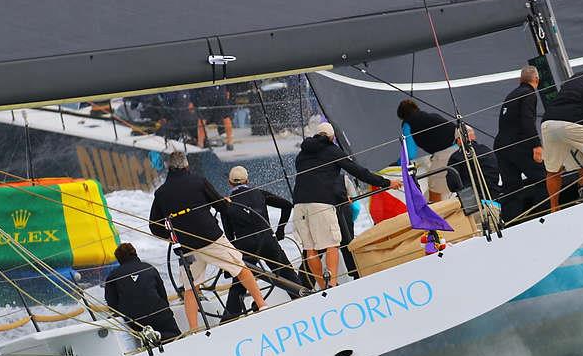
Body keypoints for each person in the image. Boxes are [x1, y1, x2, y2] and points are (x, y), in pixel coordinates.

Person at [149, 151, 266, 330]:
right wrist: (227, 204)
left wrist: (172, 237)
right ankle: (262, 305)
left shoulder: (161, 193)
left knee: (191, 288)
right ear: (187, 166)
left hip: (186, 247)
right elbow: (221, 206)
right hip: (211, 238)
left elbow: (154, 226)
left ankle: (194, 330)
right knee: (240, 268)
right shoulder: (199, 181)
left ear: (169, 168)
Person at [294, 122, 401, 289]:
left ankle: (322, 287)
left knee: (310, 249)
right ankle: (332, 285)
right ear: (331, 138)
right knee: (332, 243)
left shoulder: (302, 154)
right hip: (321, 205)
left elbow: (315, 178)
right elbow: (357, 171)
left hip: (299, 204)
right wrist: (386, 183)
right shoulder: (332, 150)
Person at [220, 165, 302, 321]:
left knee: (240, 280)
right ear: (247, 180)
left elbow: (230, 235)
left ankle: (229, 318)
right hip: (267, 240)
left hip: (245, 245)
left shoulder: (228, 203)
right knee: (287, 273)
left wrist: (232, 257)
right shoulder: (258, 193)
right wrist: (280, 230)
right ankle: (303, 299)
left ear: (230, 183)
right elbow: (287, 205)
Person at [539, 71, 583, 211]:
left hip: (548, 123)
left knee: (553, 170)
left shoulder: (570, 83)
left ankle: (554, 209)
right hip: (571, 122)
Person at [494, 65, 547, 223]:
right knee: (542, 179)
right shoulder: (529, 94)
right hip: (519, 143)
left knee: (511, 188)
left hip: (501, 145)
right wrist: (536, 145)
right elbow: (527, 121)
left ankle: (512, 223)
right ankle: (543, 216)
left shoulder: (511, 94)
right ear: (536, 79)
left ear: (520, 80)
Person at [104, 242, 181, 342]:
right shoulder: (150, 268)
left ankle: (151, 337)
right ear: (135, 253)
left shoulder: (112, 276)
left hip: (135, 320)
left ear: (119, 259)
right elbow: (162, 295)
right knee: (176, 335)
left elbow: (112, 304)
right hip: (159, 313)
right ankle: (159, 335)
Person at [396, 99, 457, 202]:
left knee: (434, 189)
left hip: (445, 153)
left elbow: (410, 153)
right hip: (460, 148)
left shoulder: (408, 124)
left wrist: (398, 163)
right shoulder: (432, 116)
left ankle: (438, 216)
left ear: (402, 116)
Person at [445, 125, 501, 201]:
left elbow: (452, 185)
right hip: (494, 196)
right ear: (473, 136)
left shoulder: (456, 157)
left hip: (472, 201)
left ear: (459, 140)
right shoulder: (487, 150)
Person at [193, 86, 234, 150]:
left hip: (210, 91)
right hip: (218, 90)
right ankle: (230, 142)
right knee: (225, 116)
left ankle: (200, 144)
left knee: (202, 117)